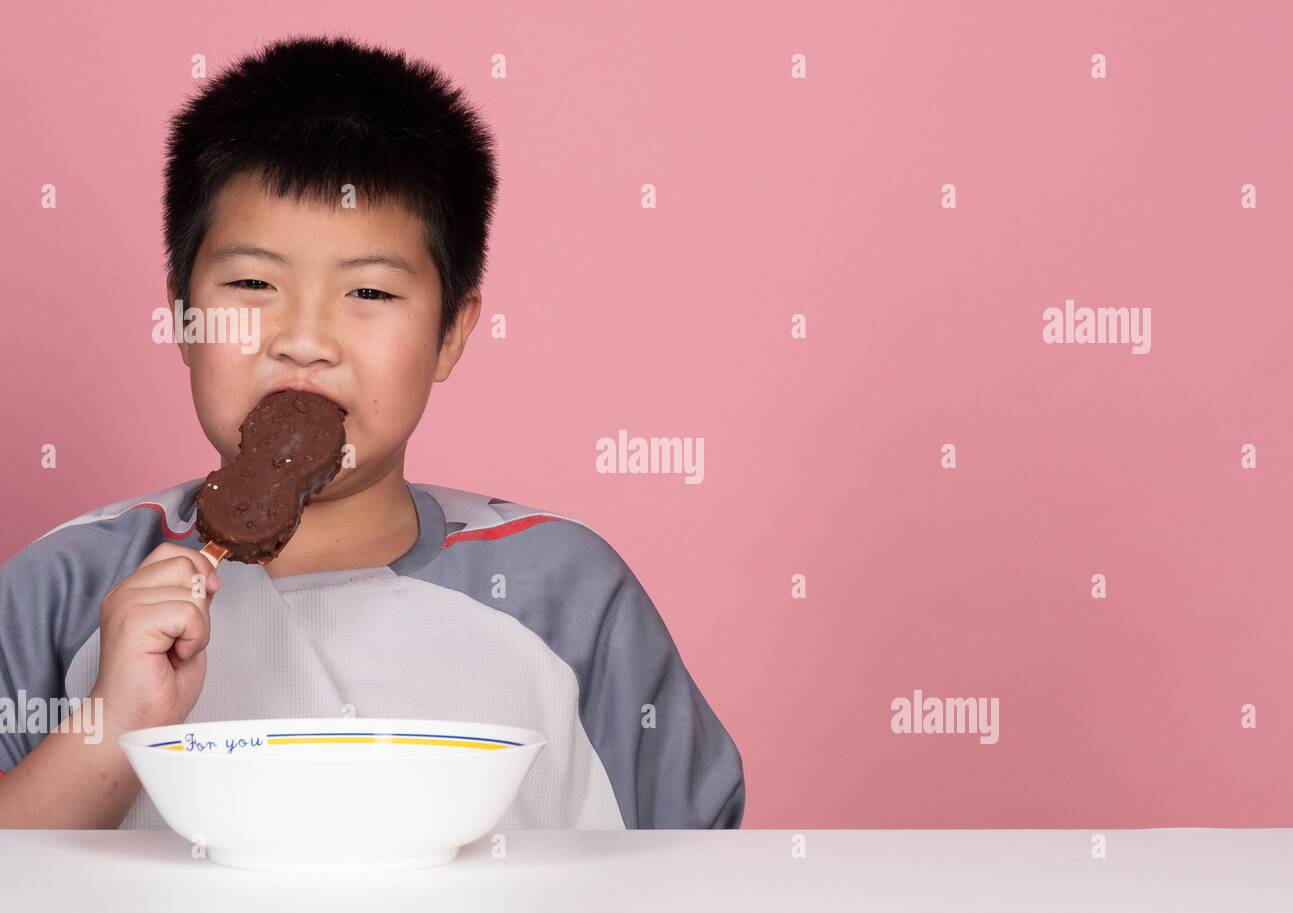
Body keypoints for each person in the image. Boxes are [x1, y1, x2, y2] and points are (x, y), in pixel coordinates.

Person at [0, 33, 744, 831]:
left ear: (451, 334)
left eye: (370, 293)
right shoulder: (68, 589)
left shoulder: (567, 596)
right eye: (253, 283)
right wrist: (109, 730)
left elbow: (693, 875)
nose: (305, 338)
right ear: (183, 316)